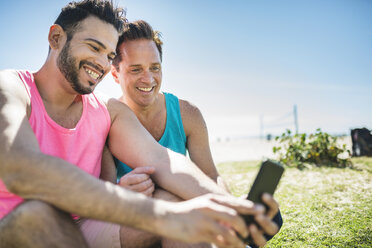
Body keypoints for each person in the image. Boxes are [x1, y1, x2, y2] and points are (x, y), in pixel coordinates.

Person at [0, 1, 279, 248]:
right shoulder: (12, 88)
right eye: (94, 47)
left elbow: (163, 160)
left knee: (171, 199)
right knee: (38, 216)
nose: (101, 63)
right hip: (15, 228)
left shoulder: (108, 111)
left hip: (87, 227)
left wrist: (234, 209)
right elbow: (21, 169)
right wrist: (164, 218)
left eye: (108, 55)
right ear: (56, 37)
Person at [110, 20, 282, 248]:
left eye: (155, 67)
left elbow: (211, 175)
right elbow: (98, 192)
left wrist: (230, 205)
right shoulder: (107, 120)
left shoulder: (187, 115)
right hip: (137, 222)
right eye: (135, 69)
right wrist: (120, 188)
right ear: (115, 74)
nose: (149, 79)